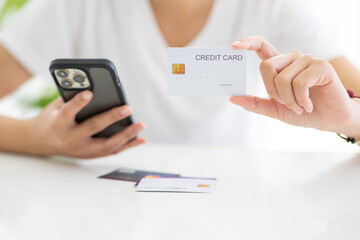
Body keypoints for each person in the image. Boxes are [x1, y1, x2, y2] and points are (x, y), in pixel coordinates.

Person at [0, 0, 359, 158]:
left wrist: (348, 119)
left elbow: (353, 105)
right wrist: (33, 138)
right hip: (103, 207)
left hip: (232, 207)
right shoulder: (74, 5)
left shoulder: (273, 5)